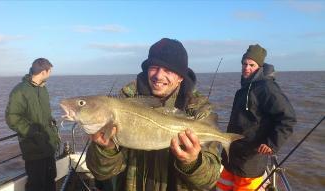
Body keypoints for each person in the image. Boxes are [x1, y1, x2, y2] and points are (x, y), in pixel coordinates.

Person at [86, 38, 221, 191]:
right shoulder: (123, 103)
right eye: (154, 67)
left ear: (180, 77)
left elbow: (210, 180)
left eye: (168, 70)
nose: (158, 75)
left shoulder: (200, 110)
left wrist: (192, 162)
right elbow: (101, 173)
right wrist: (106, 149)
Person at [216, 44, 297, 191]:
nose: (246, 68)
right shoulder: (244, 89)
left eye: (251, 65)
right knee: (222, 187)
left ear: (259, 67)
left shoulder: (267, 88)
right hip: (232, 157)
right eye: (244, 64)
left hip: (250, 161)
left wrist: (272, 143)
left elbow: (288, 117)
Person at [5, 58, 60, 191]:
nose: (51, 73)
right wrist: (33, 131)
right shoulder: (20, 90)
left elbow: (42, 114)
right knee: (36, 184)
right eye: (50, 71)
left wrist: (51, 122)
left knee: (50, 179)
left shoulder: (42, 89)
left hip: (48, 145)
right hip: (33, 147)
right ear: (43, 72)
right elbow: (12, 117)